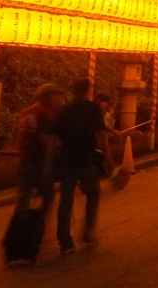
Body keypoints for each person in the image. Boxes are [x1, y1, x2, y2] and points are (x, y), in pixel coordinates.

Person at [51, 78, 114, 255]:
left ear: (73, 90)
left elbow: (54, 137)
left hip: (66, 160)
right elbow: (101, 134)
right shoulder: (93, 109)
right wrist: (108, 158)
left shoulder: (64, 111)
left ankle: (65, 241)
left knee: (66, 200)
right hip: (86, 158)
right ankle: (87, 232)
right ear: (88, 90)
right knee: (93, 195)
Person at [14, 83, 61, 215]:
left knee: (24, 197)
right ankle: (39, 224)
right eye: (55, 96)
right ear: (47, 97)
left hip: (24, 159)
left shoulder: (25, 112)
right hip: (39, 161)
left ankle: (19, 228)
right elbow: (45, 139)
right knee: (48, 193)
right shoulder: (45, 114)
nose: (56, 100)